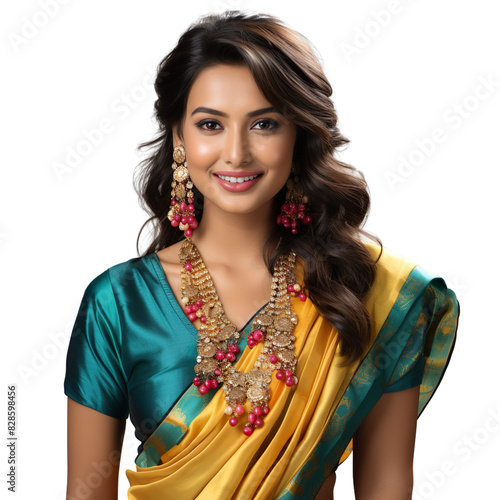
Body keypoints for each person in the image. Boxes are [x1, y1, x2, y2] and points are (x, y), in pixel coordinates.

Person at [64, 10, 459, 500]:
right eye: (210, 124)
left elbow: (387, 490)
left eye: (265, 124)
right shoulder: (119, 303)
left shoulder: (368, 291)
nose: (236, 153)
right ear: (178, 136)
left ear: (299, 136)